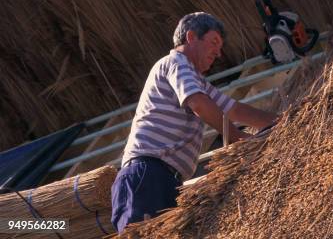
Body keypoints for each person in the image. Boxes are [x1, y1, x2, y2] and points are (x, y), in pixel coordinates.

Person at [111, 12, 277, 232]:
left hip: (166, 179)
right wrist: (237, 138)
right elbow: (198, 104)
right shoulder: (175, 63)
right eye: (214, 42)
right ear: (191, 37)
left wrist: (282, 121)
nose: (218, 53)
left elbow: (234, 109)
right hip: (147, 173)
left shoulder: (198, 81)